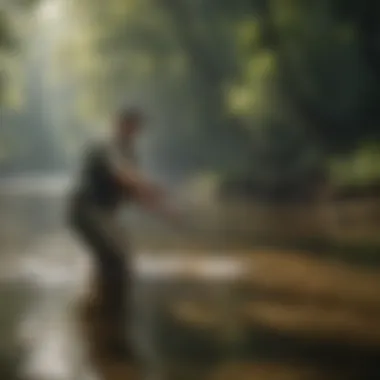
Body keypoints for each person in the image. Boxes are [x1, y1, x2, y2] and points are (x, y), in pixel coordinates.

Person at [68, 107, 177, 361]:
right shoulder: (106, 147)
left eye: (136, 127)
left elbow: (134, 193)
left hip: (102, 215)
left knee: (114, 260)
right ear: (118, 124)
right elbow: (124, 179)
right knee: (119, 261)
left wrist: (164, 210)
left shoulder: (131, 155)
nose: (132, 131)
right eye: (128, 125)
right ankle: (105, 327)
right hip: (86, 211)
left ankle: (93, 314)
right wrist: (152, 189)